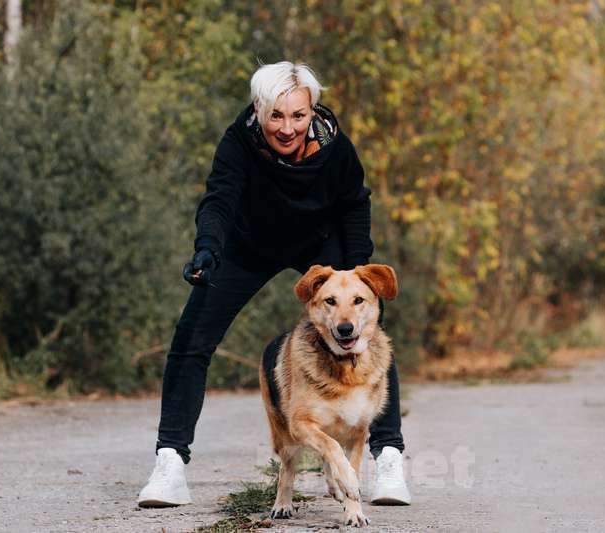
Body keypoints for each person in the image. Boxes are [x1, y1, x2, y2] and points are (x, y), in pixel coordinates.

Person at [137, 61, 411, 508]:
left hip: (322, 243)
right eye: (276, 116)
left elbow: (355, 203)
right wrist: (208, 248)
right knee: (191, 337)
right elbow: (219, 200)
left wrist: (357, 266)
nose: (287, 128)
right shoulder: (237, 143)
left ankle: (390, 459)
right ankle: (170, 465)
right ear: (259, 110)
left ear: (312, 112)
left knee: (366, 332)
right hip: (250, 244)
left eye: (298, 116)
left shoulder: (335, 147)